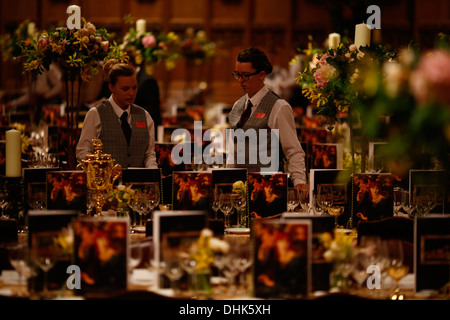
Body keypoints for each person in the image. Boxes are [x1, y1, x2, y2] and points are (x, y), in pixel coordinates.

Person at [227, 47, 308, 192]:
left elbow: (293, 151)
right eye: (237, 75)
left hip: (269, 189)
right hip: (241, 189)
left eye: (245, 75)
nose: (240, 80)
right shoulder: (237, 105)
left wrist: (299, 181)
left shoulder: (279, 107)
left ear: (261, 74)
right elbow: (233, 150)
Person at [76, 59, 158, 169]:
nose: (131, 93)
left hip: (137, 185)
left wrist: (152, 173)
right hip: (106, 184)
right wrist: (102, 168)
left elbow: (149, 154)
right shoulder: (96, 114)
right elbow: (83, 152)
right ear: (111, 87)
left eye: (134, 88)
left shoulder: (145, 116)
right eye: (125, 89)